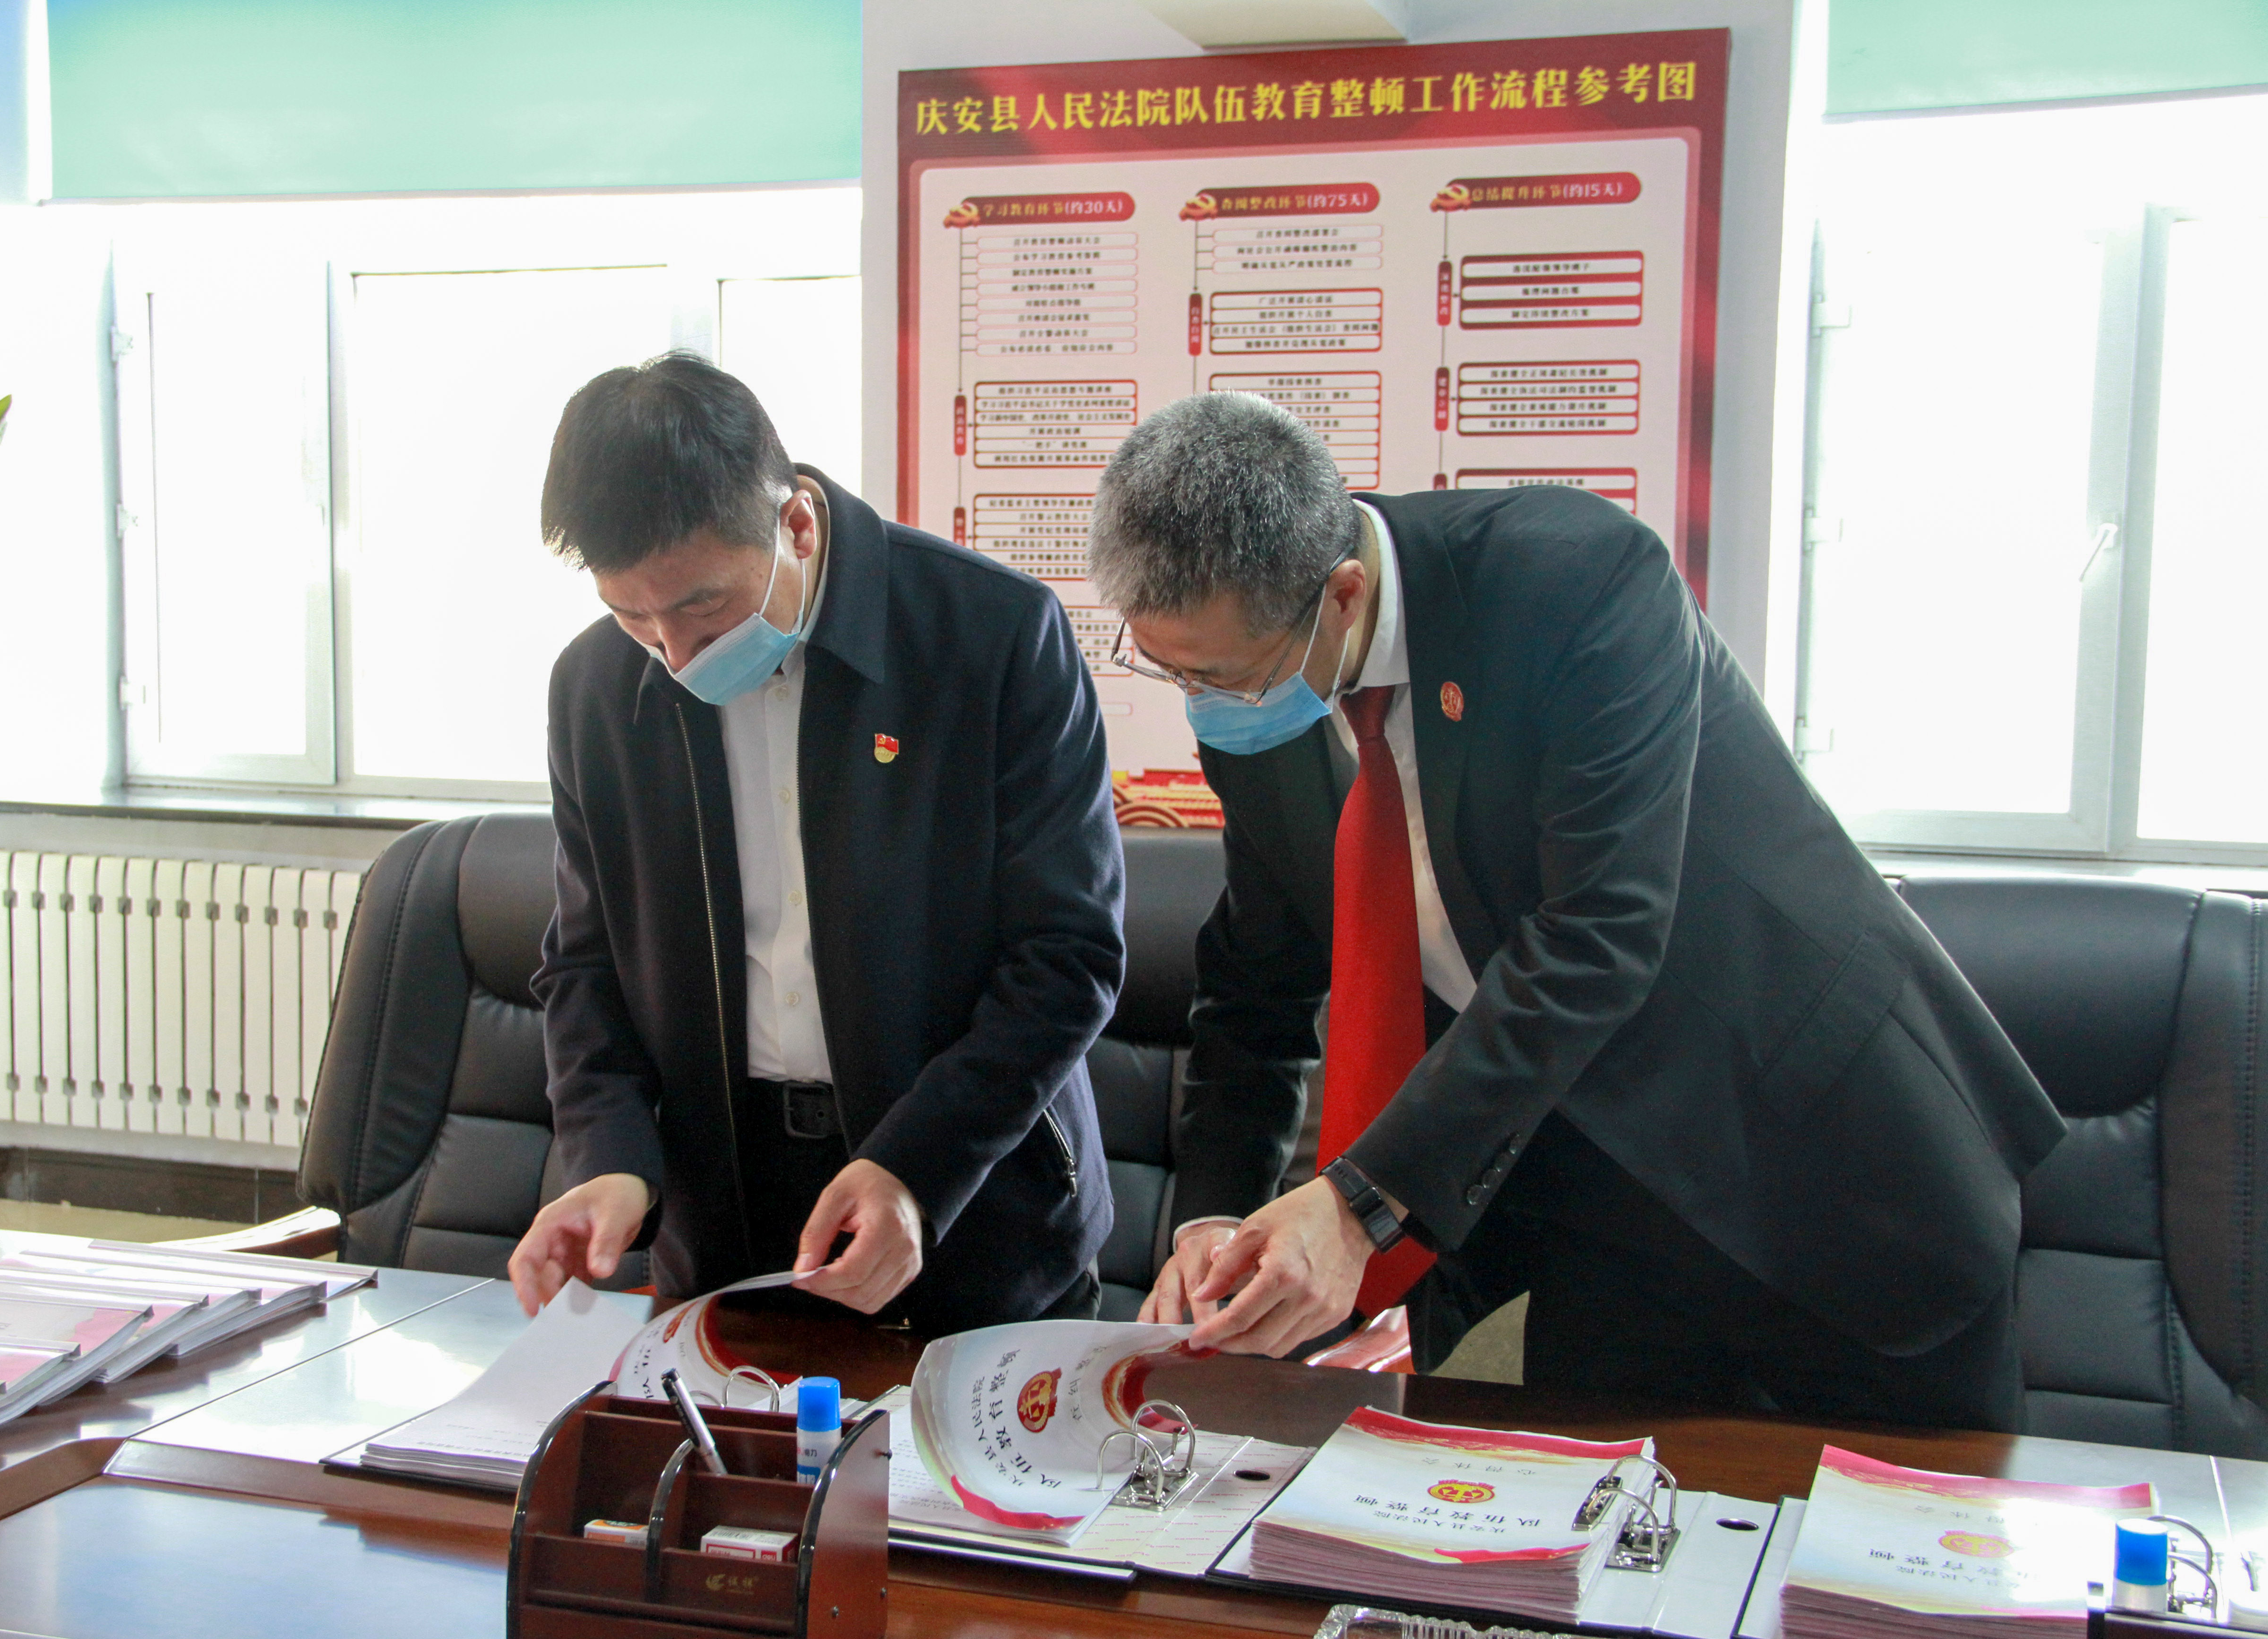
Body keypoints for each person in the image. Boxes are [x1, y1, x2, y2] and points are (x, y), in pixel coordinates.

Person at [1087, 392, 2064, 1428]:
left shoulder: (1573, 578)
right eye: (1171, 670)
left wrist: (1358, 1204)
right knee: (1592, 1517)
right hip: (1585, 1219)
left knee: (1900, 1528)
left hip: (1823, 1170)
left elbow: (1598, 935)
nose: (1204, 704)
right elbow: (1256, 984)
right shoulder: (1251, 698)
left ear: (1343, 595)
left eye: (1224, 676)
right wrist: (1213, 1220)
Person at [509, 353, 1121, 1333]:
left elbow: (1069, 954)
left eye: (704, 606)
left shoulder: (990, 635)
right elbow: (586, 964)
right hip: (727, 1213)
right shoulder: (595, 690)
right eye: (633, 617)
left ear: (795, 524)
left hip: (971, 1194)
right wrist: (609, 1158)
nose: (676, 655)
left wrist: (917, 1167)